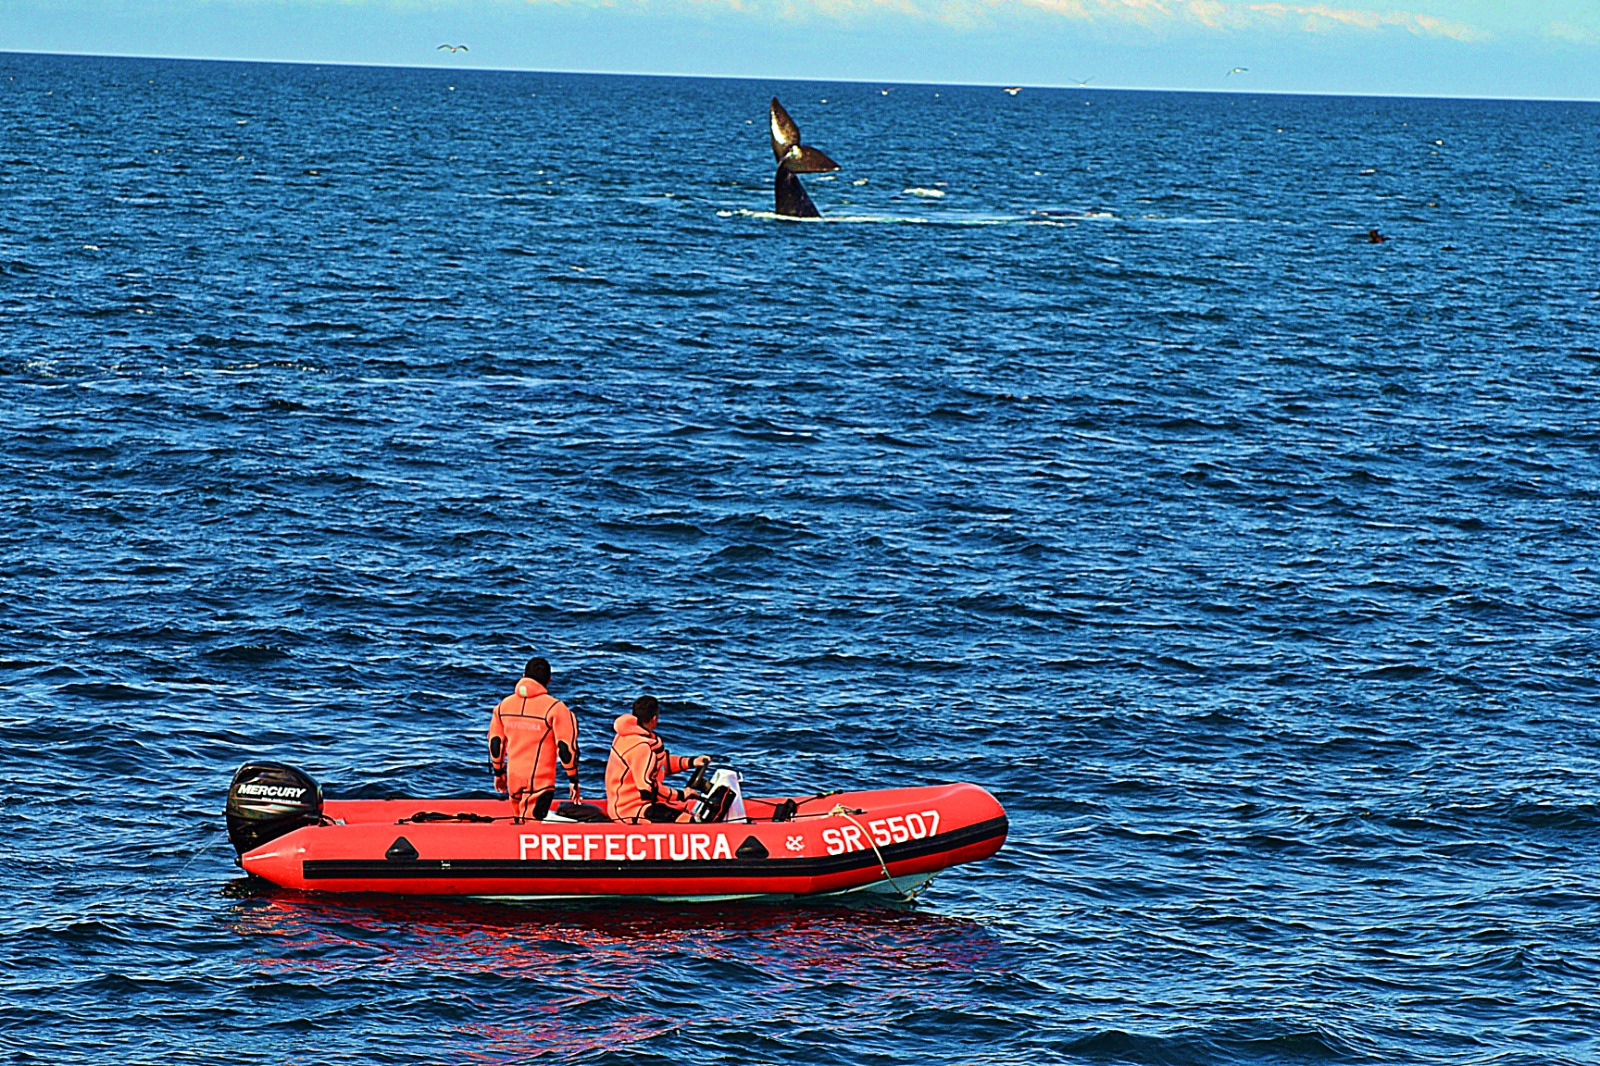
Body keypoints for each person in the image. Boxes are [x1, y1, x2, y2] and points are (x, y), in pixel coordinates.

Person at [487, 656, 580, 821]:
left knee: (519, 822)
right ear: (549, 680)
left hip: (513, 779)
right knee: (532, 826)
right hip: (539, 783)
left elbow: (496, 743)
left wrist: (498, 772)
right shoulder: (556, 708)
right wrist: (573, 778)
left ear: (523, 676)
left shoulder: (503, 706)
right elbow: (566, 748)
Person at [605, 695, 711, 823]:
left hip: (636, 804)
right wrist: (681, 794)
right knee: (687, 820)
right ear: (654, 719)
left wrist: (691, 762)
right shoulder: (640, 747)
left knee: (682, 811)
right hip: (630, 810)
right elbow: (648, 789)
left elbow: (660, 764)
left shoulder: (631, 737)